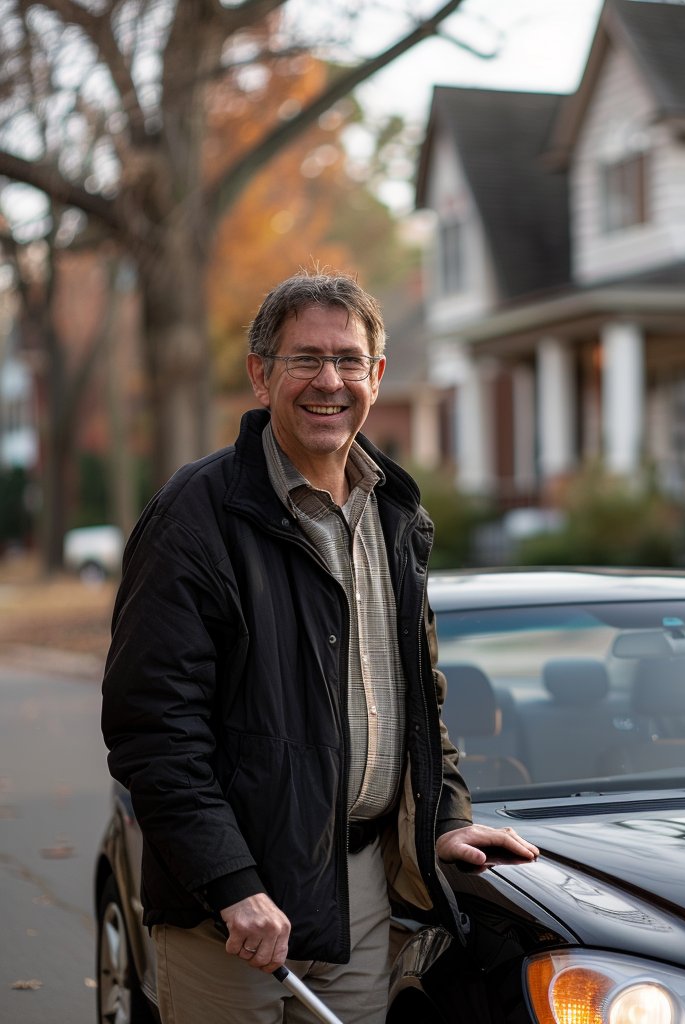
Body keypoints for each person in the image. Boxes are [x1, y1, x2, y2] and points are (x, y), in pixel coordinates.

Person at [101, 270, 538, 1024]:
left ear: (377, 375)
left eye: (347, 360)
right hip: (229, 912)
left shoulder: (395, 513)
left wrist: (445, 818)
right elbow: (153, 730)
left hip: (358, 897)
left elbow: (416, 695)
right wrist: (231, 882)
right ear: (260, 373)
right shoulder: (194, 517)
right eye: (305, 359)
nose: (327, 381)